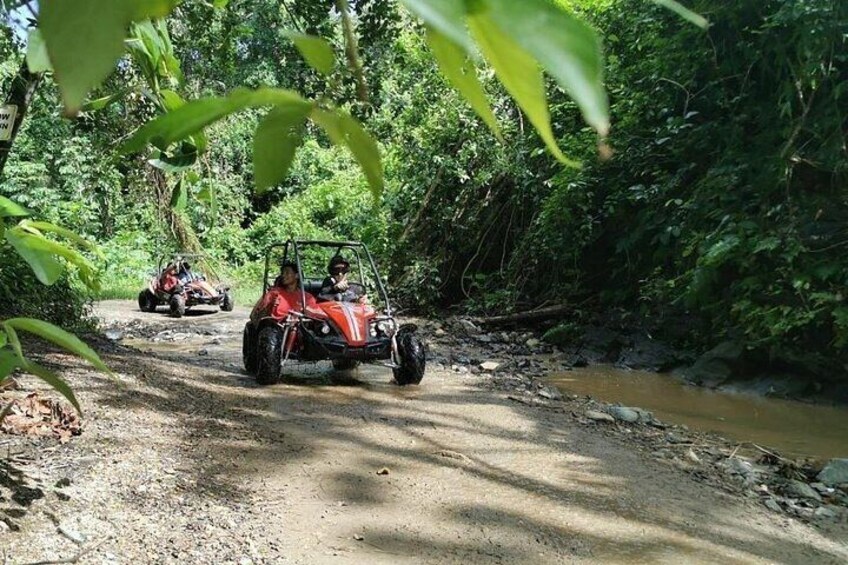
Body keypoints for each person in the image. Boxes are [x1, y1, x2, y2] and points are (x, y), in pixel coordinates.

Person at [252, 261, 318, 321]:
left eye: (287, 272)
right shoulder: (274, 293)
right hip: (277, 329)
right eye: (282, 273)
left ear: (297, 275)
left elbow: (316, 315)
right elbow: (256, 314)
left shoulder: (307, 297)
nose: (283, 275)